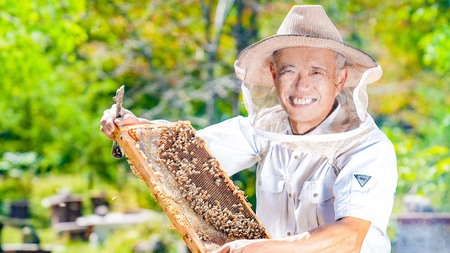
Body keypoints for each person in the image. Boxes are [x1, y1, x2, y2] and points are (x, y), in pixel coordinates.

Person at [100, 5, 397, 253]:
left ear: (341, 78)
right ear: (273, 74)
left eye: (316, 72)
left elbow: (350, 237)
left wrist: (259, 249)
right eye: (289, 71)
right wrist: (136, 127)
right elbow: (184, 153)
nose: (302, 85)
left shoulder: (368, 149)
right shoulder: (265, 129)